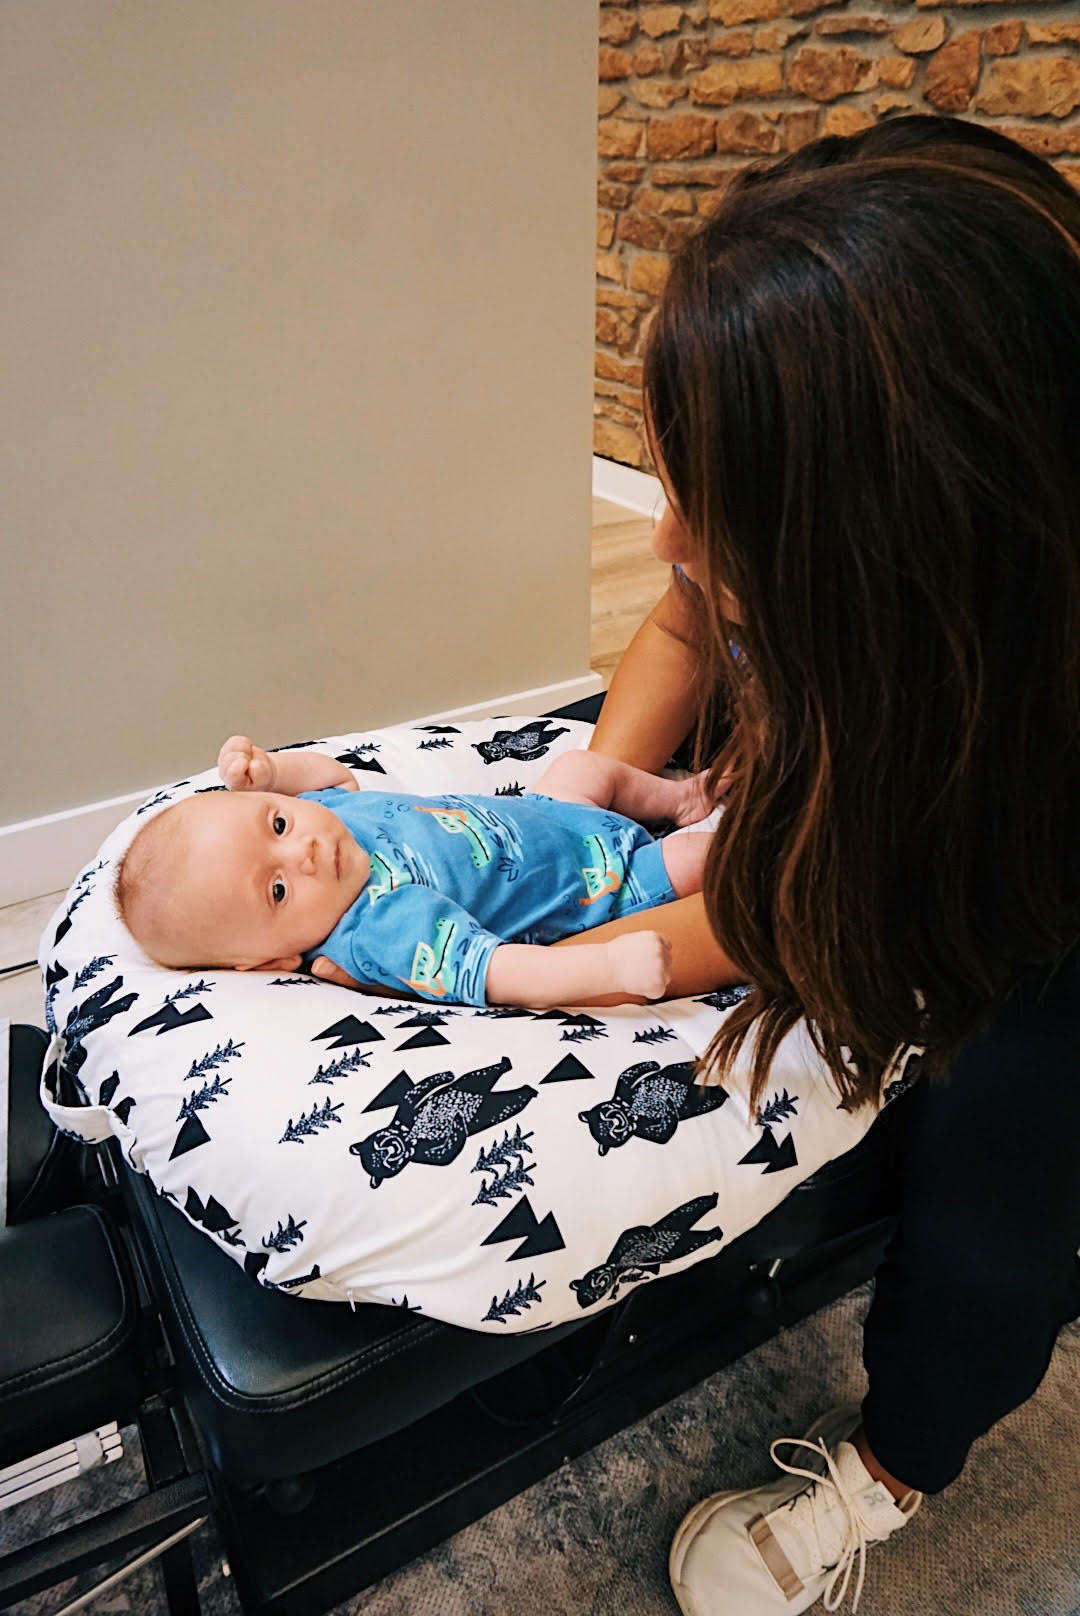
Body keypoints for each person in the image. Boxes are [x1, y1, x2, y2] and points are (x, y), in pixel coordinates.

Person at [563, 115, 1080, 1613]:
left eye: (706, 512)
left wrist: (570, 948)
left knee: (999, 1194)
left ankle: (898, 1467)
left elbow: (804, 902)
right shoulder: (751, 575)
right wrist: (592, 789)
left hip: (1032, 872)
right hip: (881, 730)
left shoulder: (1003, 740)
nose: (667, 531)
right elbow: (679, 614)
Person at [113, 731, 736, 1009]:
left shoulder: (318, 820)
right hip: (601, 886)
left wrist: (277, 772)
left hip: (549, 813)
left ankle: (682, 799)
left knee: (586, 767)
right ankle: (735, 844)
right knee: (698, 860)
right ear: (273, 959)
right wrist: (611, 964)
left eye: (275, 824)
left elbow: (334, 777)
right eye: (277, 890)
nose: (299, 851)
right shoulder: (380, 929)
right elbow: (501, 974)